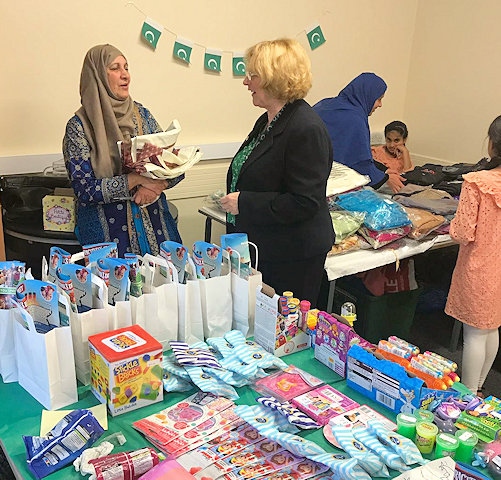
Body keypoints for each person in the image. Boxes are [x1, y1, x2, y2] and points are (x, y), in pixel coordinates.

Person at [220, 38, 334, 305]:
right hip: (268, 243)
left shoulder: (305, 127)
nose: (246, 82)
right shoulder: (269, 119)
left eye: (253, 75)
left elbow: (305, 201)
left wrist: (245, 202)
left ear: (275, 78)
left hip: (294, 253)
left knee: (284, 332)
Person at [63, 44, 183, 257]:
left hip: (156, 232)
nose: (125, 74)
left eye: (126, 67)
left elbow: (174, 165)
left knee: (167, 287)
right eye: (115, 68)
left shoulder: (142, 115)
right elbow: (85, 190)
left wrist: (156, 185)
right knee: (115, 289)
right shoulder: (79, 127)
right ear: (97, 75)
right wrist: (136, 179)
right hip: (107, 239)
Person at [445, 115, 501, 397]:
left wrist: (451, 225)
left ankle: (467, 397)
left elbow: (464, 232)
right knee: (491, 328)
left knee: (475, 334)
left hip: (479, 267)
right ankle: (478, 388)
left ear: (492, 144)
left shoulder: (478, 182)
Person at [313, 73, 406, 193]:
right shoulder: (354, 119)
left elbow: (354, 155)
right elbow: (359, 164)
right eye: (379, 99)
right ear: (367, 96)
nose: (380, 105)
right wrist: (386, 178)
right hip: (325, 186)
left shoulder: (325, 104)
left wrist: (383, 170)